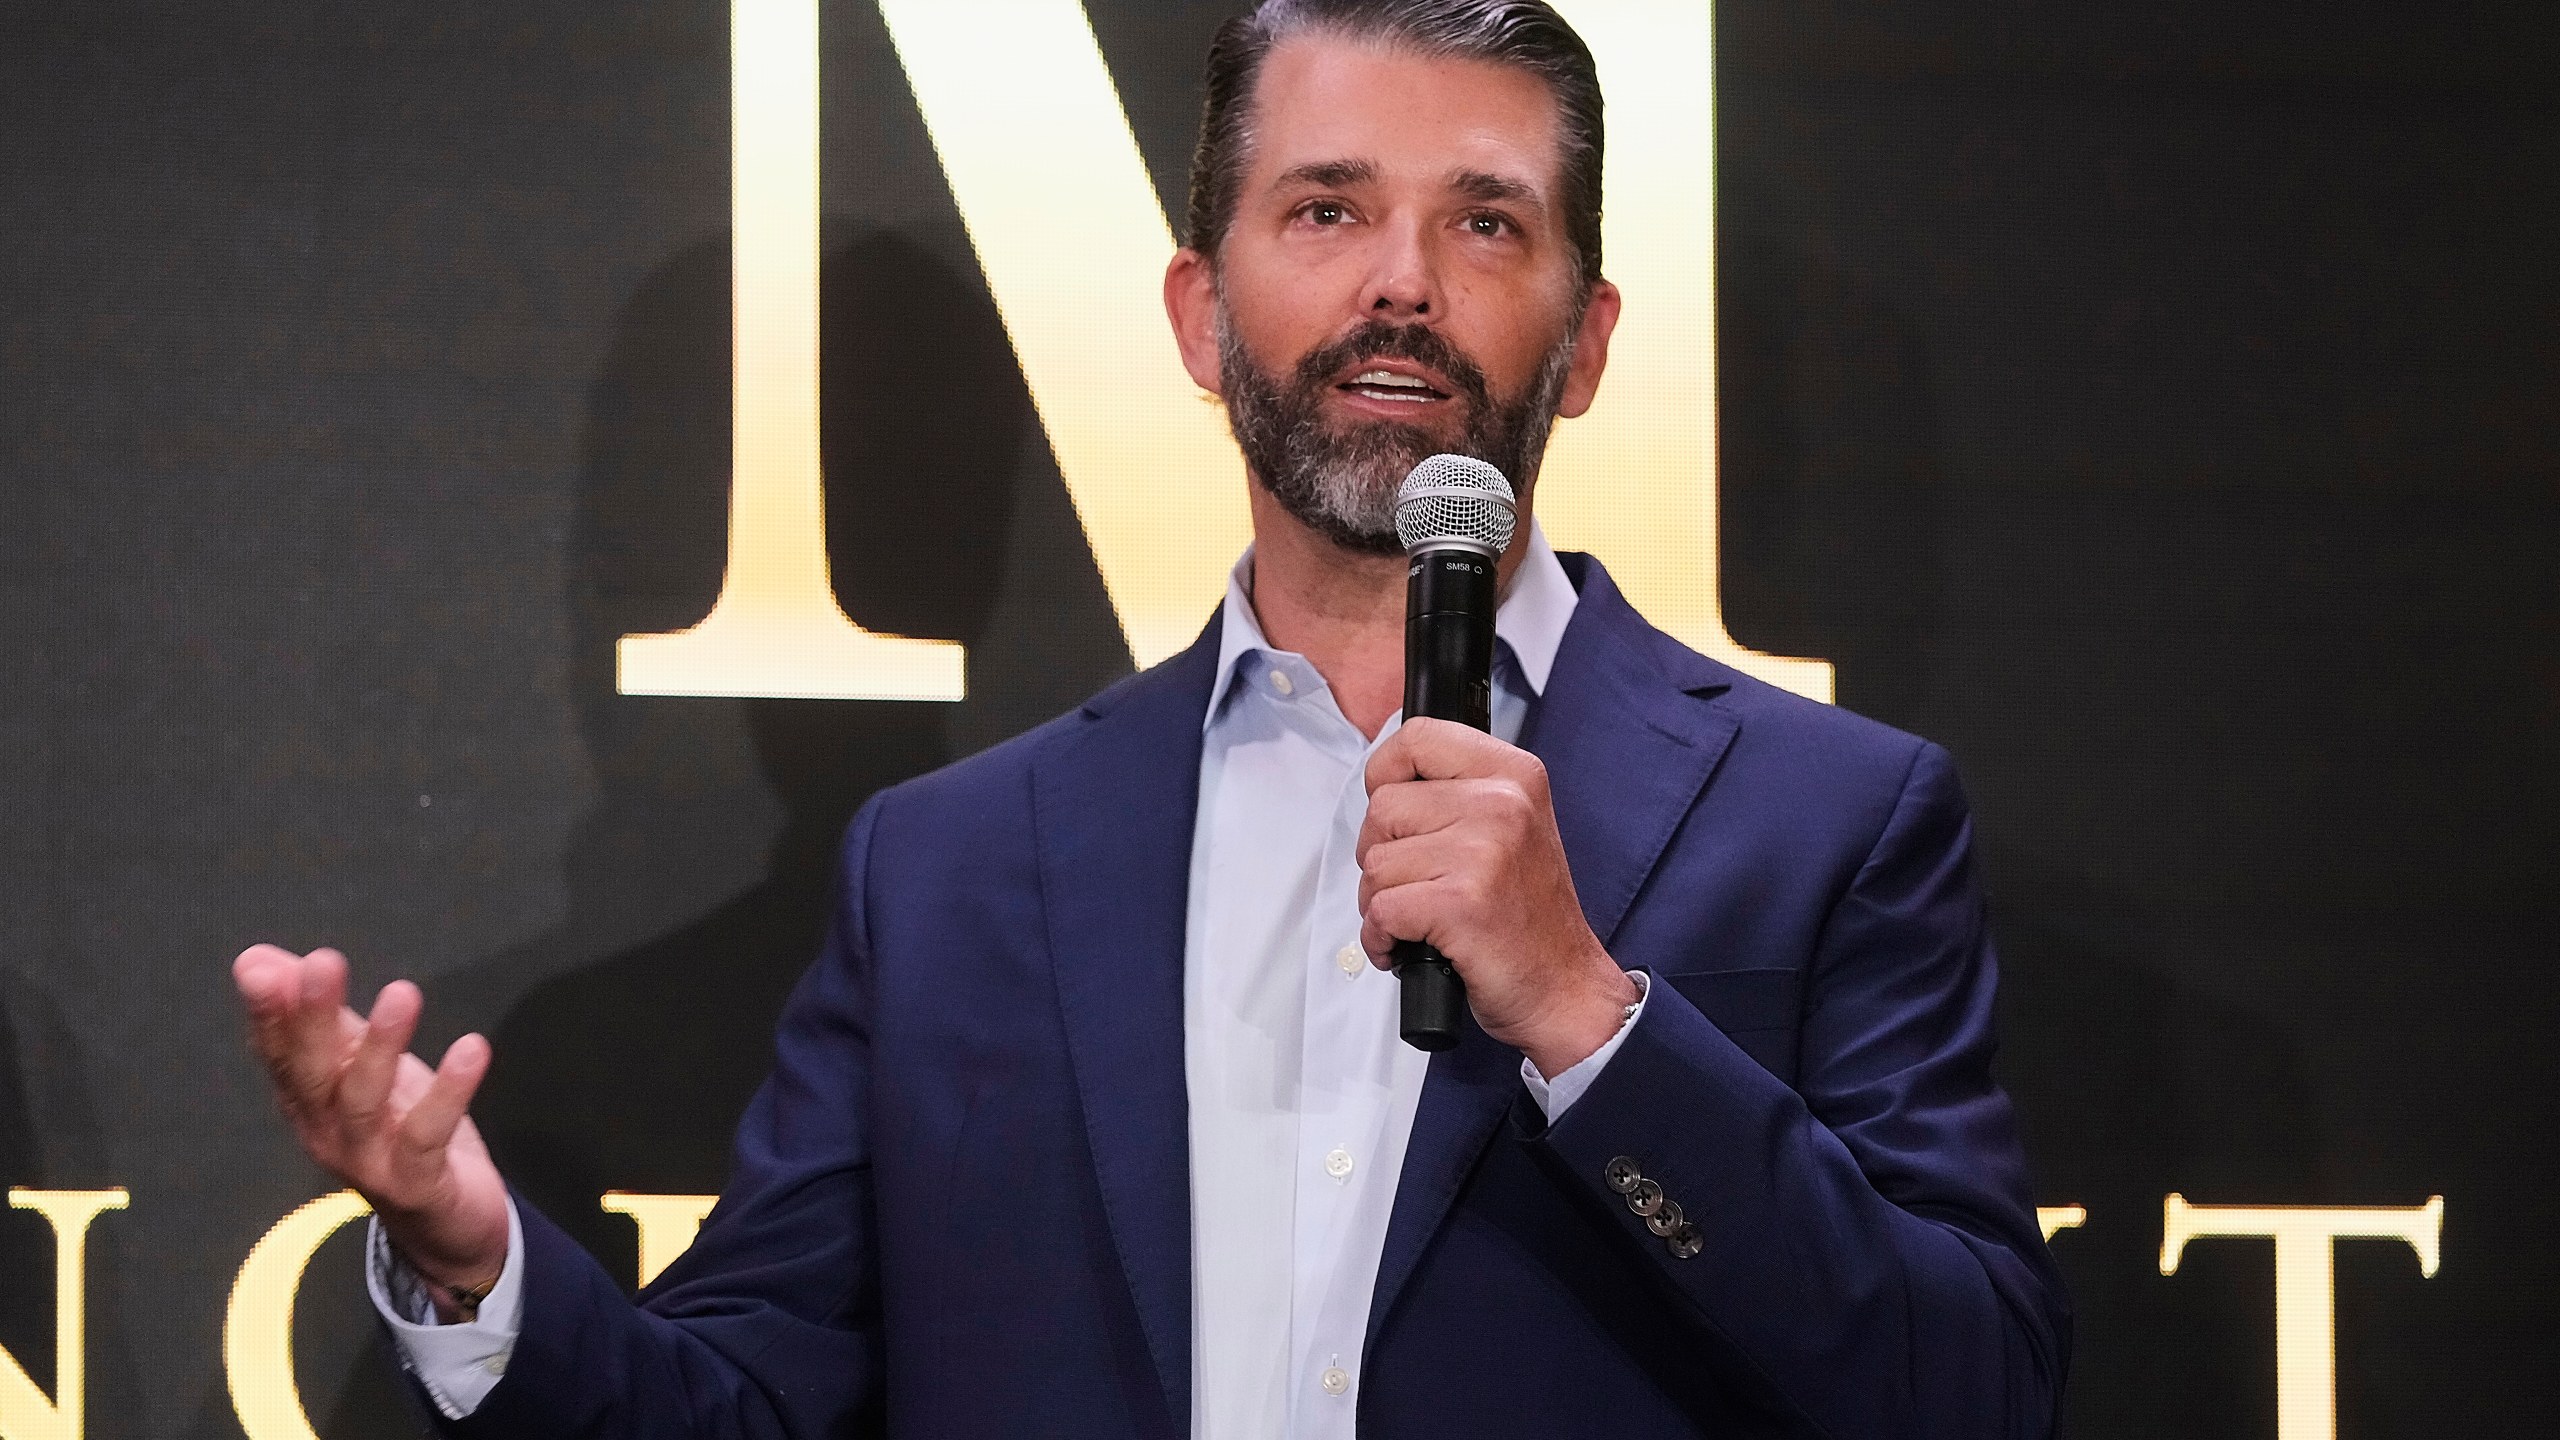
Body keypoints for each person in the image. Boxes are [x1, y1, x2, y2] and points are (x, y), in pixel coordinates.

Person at [232, 1, 2069, 1435]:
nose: (1403, 281)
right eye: (1328, 209)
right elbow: (751, 1404)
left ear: (1586, 342)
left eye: (1484, 221)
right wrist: (474, 1265)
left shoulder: (1829, 822)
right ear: (1201, 316)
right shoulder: (951, 875)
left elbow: (1973, 1388)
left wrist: (1594, 1024)